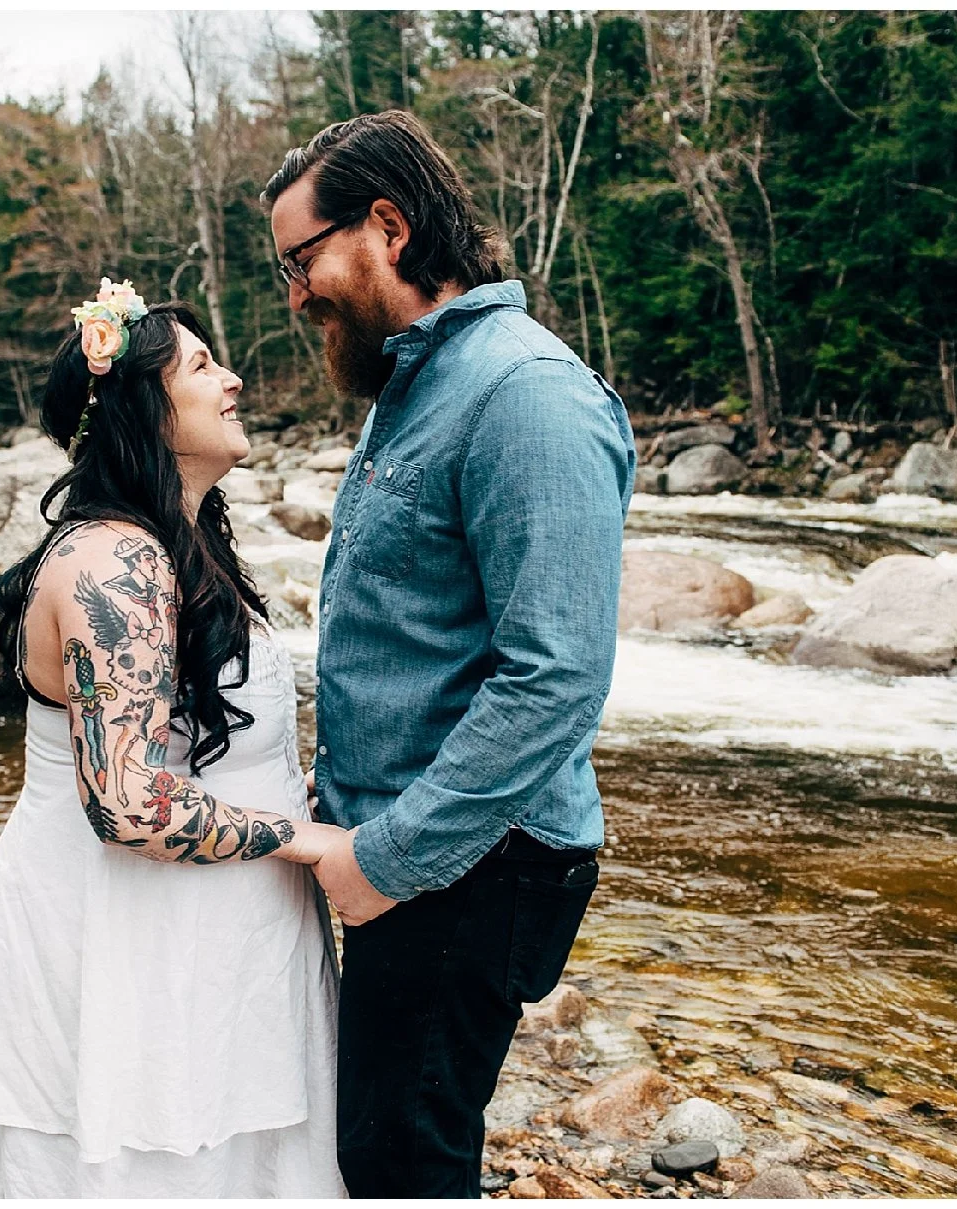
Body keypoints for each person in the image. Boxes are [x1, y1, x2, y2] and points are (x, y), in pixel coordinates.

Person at [263, 112, 636, 1197]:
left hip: (470, 865)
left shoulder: (526, 395)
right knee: (387, 1150)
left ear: (388, 225)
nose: (296, 293)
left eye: (303, 259)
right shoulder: (419, 383)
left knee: (403, 1166)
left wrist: (383, 862)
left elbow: (557, 677)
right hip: (420, 855)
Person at [0, 280, 347, 1198]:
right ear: (142, 409)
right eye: (203, 365)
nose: (232, 379)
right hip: (126, 946)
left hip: (211, 942)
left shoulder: (183, 546)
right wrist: (316, 843)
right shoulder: (110, 560)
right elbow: (128, 801)